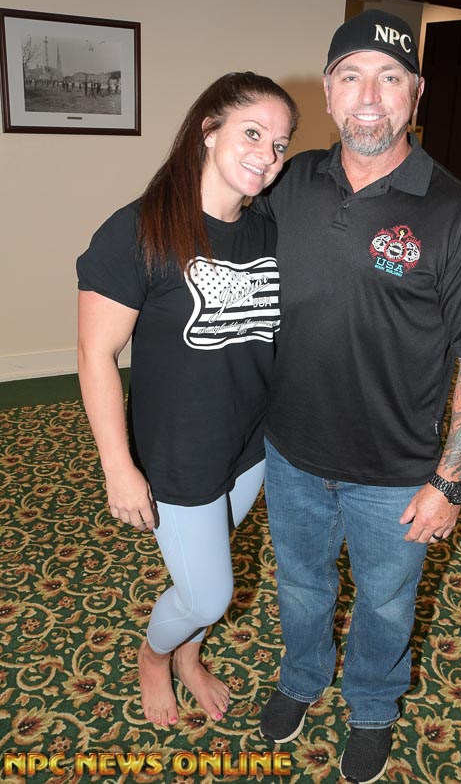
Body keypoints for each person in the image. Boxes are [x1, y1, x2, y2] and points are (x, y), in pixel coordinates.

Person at [255, 10, 461, 783]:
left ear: (416, 93)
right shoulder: (287, 182)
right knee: (301, 585)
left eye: (390, 77)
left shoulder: (460, 216)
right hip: (291, 454)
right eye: (352, 77)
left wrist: (450, 481)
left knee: (388, 603)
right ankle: (303, 676)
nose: (370, 97)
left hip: (396, 476)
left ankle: (372, 706)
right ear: (327, 92)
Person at [77, 72, 298, 728]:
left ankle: (189, 656)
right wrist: (118, 467)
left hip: (251, 441)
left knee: (211, 563)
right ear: (208, 130)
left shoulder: (268, 228)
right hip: (179, 453)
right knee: (208, 594)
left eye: (280, 144)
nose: (267, 154)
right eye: (252, 132)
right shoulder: (138, 230)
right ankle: (155, 656)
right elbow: (94, 354)